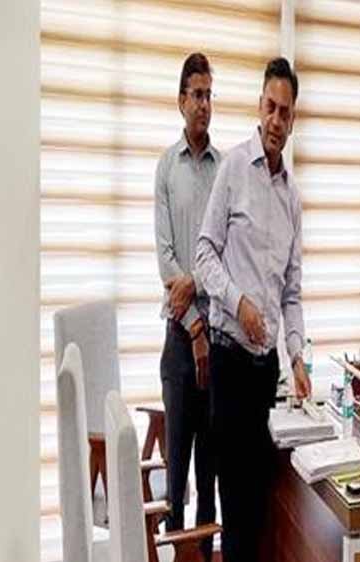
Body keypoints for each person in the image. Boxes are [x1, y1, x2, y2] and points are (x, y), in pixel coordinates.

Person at [194, 56, 310, 562]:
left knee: (264, 512)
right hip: (229, 363)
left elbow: (292, 293)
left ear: (293, 119)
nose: (276, 120)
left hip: (267, 375)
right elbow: (203, 254)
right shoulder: (234, 169)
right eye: (271, 107)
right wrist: (237, 302)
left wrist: (298, 356)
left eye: (285, 112)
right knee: (237, 513)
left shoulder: (292, 199)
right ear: (259, 106)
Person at [153, 51, 220, 559]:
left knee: (210, 470)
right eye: (196, 95)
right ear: (181, 101)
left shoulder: (226, 170)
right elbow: (164, 258)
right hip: (181, 341)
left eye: (209, 95)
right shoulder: (166, 168)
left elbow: (226, 252)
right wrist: (193, 326)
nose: (204, 104)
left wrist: (196, 280)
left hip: (219, 342)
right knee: (176, 472)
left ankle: (205, 552)